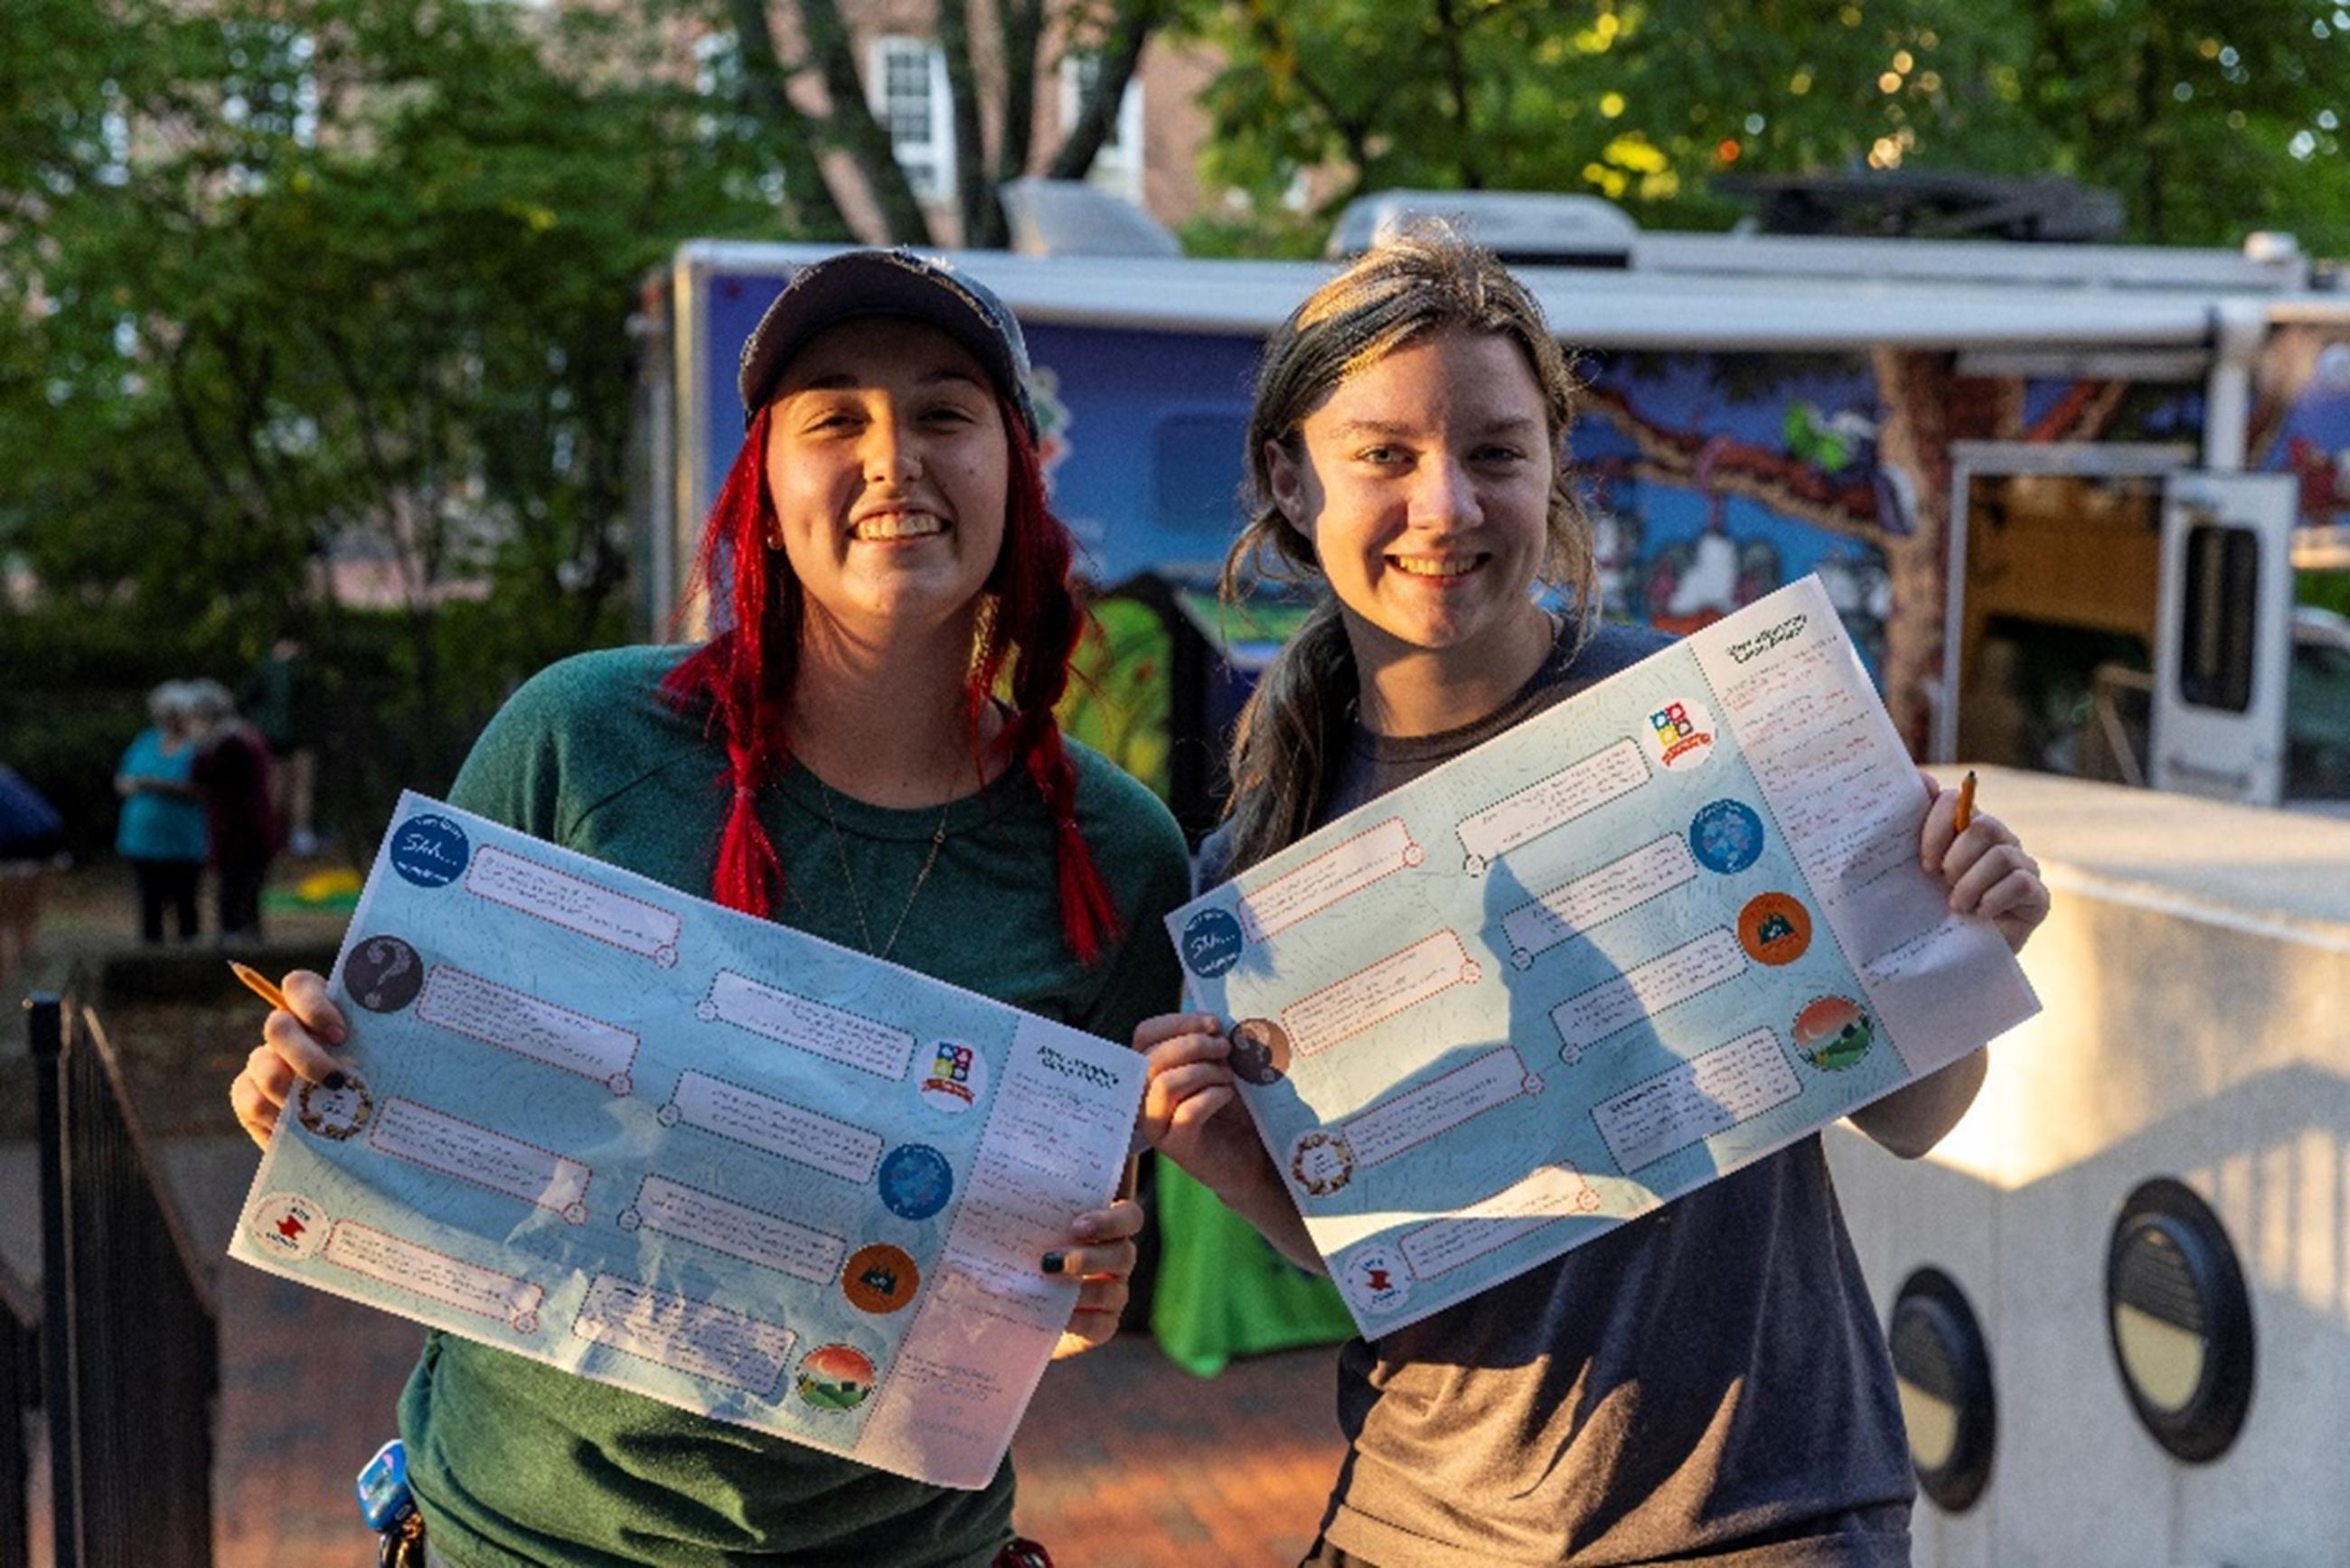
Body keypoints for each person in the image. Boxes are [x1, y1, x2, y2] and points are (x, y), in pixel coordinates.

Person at [226, 250, 1192, 1568]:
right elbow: (396, 1097)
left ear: (1018, 473)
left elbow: (1064, 1271)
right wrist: (308, 1090)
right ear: (767, 484)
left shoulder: (1117, 850)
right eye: (835, 416)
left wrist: (1076, 1291)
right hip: (519, 1535)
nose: (892, 456)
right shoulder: (578, 735)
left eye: (946, 412)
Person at [1135, 226, 2052, 1568]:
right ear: (1291, 477)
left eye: (1495, 451)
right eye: (1384, 454)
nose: (1445, 505)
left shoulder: (1711, 715)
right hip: (1418, 1522)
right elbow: (1383, 1259)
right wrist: (1230, 1162)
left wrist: (1959, 940)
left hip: (1765, 1511)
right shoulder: (1256, 865)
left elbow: (1915, 1113)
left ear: (1554, 462)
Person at [116, 680, 210, 944]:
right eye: (161, 712)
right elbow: (123, 778)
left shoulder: (198, 746)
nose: (166, 718)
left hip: (184, 842)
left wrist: (157, 785)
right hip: (142, 840)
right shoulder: (146, 740)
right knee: (149, 906)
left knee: (185, 904)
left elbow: (205, 789)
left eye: (172, 712)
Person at [188, 678, 280, 941]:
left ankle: (236, 940)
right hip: (247, 829)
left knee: (237, 889)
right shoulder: (244, 737)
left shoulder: (230, 743)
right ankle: (244, 936)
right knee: (243, 890)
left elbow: (206, 778)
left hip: (241, 830)